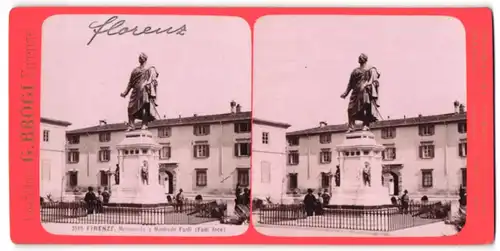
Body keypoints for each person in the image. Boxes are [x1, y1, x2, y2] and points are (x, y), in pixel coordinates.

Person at [340, 53, 381, 132]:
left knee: (365, 108)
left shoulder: (371, 69)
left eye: (361, 58)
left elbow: (375, 80)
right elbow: (350, 83)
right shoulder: (355, 71)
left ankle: (366, 125)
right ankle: (351, 127)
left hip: (365, 91)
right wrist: (346, 93)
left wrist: (369, 85)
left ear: (365, 59)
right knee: (350, 108)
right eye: (359, 58)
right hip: (355, 92)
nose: (359, 59)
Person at [120, 53, 159, 131]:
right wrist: (125, 92)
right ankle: (131, 125)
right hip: (135, 91)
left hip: (144, 90)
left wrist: (152, 84)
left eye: (141, 57)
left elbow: (153, 79)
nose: (140, 58)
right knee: (130, 107)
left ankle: (144, 124)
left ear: (145, 59)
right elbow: (130, 83)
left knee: (144, 107)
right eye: (139, 57)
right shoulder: (135, 70)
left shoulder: (150, 68)